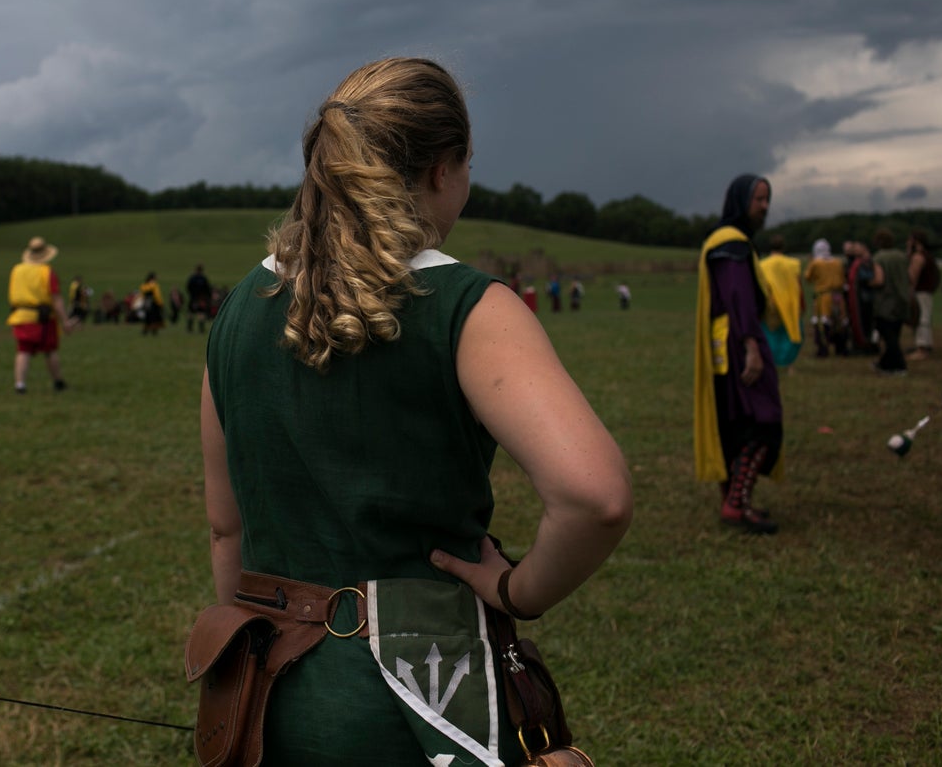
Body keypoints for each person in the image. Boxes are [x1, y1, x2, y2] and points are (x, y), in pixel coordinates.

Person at [198, 57, 632, 763]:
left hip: (270, 704)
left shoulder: (237, 310)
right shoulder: (468, 305)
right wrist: (516, 589)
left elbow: (226, 531)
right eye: (467, 164)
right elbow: (596, 497)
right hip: (429, 706)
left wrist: (258, 653)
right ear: (441, 170)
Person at [693, 174, 784, 534]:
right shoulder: (732, 245)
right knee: (761, 421)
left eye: (767, 199)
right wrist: (750, 345)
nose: (764, 206)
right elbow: (737, 298)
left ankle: (735, 499)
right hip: (737, 343)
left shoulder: (729, 242)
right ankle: (735, 503)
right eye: (758, 199)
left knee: (735, 421)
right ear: (740, 200)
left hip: (727, 343)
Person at [6, 236, 78, 393]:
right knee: (50, 350)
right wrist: (65, 320)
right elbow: (56, 298)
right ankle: (58, 382)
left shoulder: (16, 270)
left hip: (20, 316)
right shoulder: (46, 272)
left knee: (23, 350)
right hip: (42, 318)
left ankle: (20, 384)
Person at [758, 234, 803, 369]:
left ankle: (771, 361)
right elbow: (798, 284)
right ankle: (790, 364)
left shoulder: (762, 264)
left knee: (770, 333)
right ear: (784, 246)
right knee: (789, 332)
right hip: (790, 303)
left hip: (770, 303)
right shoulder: (793, 264)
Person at [869, 228, 910, 375]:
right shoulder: (901, 256)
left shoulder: (879, 257)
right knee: (895, 334)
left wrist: (867, 283)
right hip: (903, 300)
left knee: (888, 337)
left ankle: (899, 366)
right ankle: (885, 364)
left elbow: (879, 280)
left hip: (886, 302)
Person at [803, 238, 847, 357]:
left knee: (822, 323)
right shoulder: (838, 262)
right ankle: (841, 347)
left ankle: (823, 349)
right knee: (839, 322)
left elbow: (808, 277)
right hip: (838, 295)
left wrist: (811, 262)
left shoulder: (816, 263)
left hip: (823, 296)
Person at [907, 229, 940, 360]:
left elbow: (911, 277)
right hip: (925, 292)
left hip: (921, 292)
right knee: (924, 318)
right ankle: (925, 344)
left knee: (922, 319)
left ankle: (922, 348)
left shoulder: (918, 257)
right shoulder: (925, 255)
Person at [186, 264, 212, 333]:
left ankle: (189, 328)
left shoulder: (192, 278)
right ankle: (201, 329)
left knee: (191, 313)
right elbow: (207, 289)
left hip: (193, 298)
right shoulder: (203, 279)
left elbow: (188, 287)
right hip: (201, 299)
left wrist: (192, 294)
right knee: (201, 313)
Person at [139, 271, 165, 336]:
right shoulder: (154, 285)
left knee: (148, 318)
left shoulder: (144, 285)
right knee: (155, 318)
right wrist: (161, 303)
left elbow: (142, 295)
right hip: (154, 304)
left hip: (146, 303)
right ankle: (154, 332)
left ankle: (145, 331)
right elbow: (157, 295)